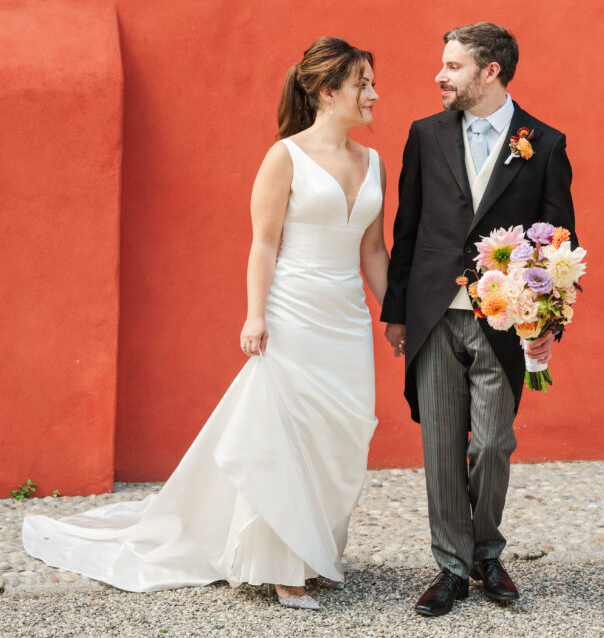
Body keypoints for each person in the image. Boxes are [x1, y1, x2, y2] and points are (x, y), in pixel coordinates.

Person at [23, 37, 388, 611]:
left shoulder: (374, 162)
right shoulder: (284, 157)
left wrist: (394, 315)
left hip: (347, 321)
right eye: (363, 83)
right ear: (327, 91)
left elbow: (373, 250)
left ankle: (318, 548)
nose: (373, 93)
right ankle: (282, 566)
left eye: (372, 82)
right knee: (283, 433)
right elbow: (263, 244)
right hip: (294, 312)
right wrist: (254, 314)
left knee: (339, 435)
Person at [381, 22, 577, 617]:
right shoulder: (424, 135)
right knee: (441, 445)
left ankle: (487, 550)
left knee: (492, 442)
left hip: (503, 321)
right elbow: (407, 228)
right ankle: (453, 568)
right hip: (435, 314)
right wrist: (396, 312)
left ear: (489, 72)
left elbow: (559, 241)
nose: (440, 76)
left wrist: (549, 317)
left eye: (454, 66)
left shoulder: (542, 143)